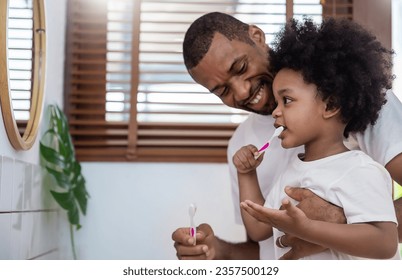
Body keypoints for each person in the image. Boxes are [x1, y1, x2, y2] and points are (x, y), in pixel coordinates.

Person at [172, 12, 402, 260]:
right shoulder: (243, 145)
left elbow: (382, 239)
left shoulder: (352, 97)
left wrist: (333, 225)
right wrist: (217, 251)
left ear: (257, 37)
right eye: (222, 91)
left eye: (240, 67)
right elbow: (266, 240)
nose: (241, 92)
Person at [234, 17, 399, 260]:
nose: (275, 112)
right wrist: (246, 173)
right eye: (277, 102)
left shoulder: (360, 171)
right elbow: (258, 228)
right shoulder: (290, 173)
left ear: (330, 105)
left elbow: (385, 244)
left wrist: (309, 229)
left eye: (287, 101)